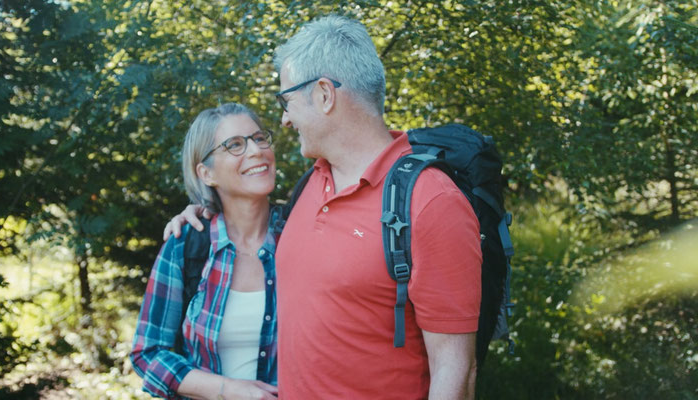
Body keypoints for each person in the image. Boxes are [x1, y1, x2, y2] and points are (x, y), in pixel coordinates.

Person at [167, 15, 482, 399]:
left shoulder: (430, 202)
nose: (283, 119)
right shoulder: (311, 186)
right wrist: (203, 208)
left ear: (323, 95)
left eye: (286, 101)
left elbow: (456, 372)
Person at [131, 103, 279, 400]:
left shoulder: (303, 234)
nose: (255, 151)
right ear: (206, 173)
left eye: (259, 138)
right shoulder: (185, 244)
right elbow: (148, 353)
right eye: (234, 145)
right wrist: (227, 390)